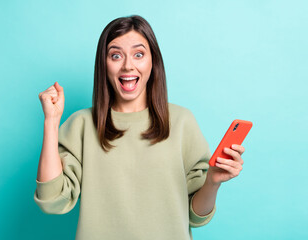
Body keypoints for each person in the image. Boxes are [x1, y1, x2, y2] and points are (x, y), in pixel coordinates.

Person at [34, 15, 246, 240]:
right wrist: (51, 122)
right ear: (103, 65)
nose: (127, 65)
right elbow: (52, 200)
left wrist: (212, 182)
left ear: (152, 61)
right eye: (116, 55)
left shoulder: (182, 121)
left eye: (138, 54)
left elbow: (196, 216)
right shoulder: (82, 124)